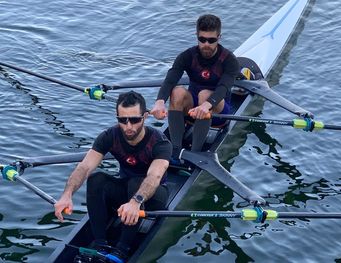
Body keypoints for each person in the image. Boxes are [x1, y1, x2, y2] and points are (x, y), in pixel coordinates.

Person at [54, 91, 172, 261]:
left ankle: (121, 250)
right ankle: (100, 244)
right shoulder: (110, 136)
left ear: (145, 116)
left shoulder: (160, 142)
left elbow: (154, 176)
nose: (128, 126)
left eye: (134, 120)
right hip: (127, 190)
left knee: (135, 184)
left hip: (154, 196)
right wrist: (67, 194)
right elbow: (84, 167)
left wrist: (135, 202)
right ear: (117, 117)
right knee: (96, 179)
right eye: (122, 120)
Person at [151, 14, 240, 162]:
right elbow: (170, 79)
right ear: (197, 36)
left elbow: (224, 88)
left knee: (205, 95)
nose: (206, 44)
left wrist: (206, 105)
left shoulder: (229, 60)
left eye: (211, 40)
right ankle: (175, 150)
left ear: (219, 37)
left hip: (218, 111)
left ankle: (194, 154)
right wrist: (160, 101)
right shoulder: (187, 56)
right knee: (177, 91)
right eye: (202, 39)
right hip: (192, 110)